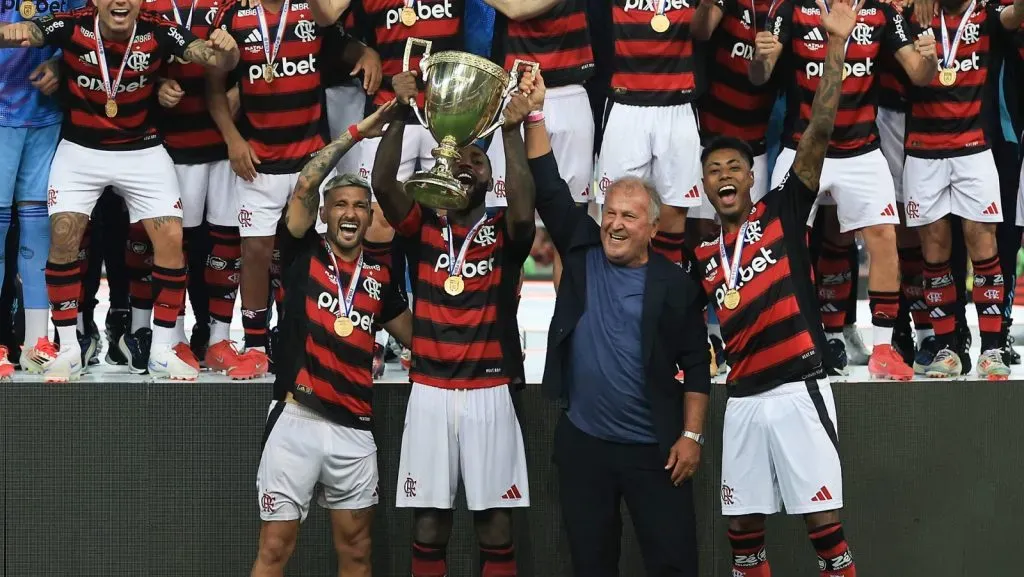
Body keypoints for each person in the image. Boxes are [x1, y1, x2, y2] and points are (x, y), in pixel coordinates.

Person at [694, 0, 858, 573]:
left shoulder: (783, 212)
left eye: (734, 167)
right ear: (706, 189)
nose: (725, 176)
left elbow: (819, 131)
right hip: (740, 401)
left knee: (827, 538)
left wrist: (835, 48)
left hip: (798, 391)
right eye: (714, 171)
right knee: (743, 539)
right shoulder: (701, 256)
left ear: (751, 176)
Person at [528, 73, 711, 575]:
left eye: (629, 217)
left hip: (656, 452)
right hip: (584, 447)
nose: (614, 224)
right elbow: (548, 187)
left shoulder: (674, 284)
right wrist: (538, 113)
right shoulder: (583, 251)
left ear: (653, 228)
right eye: (610, 213)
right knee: (591, 565)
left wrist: (691, 438)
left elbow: (697, 367)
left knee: (674, 565)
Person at [0, 0, 240, 381]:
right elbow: (24, 33)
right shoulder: (72, 24)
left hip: (141, 149)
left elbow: (212, 58)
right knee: (63, 237)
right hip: (81, 149)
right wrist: (9, 33)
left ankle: (161, 349)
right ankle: (68, 350)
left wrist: (228, 51)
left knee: (172, 239)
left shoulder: (157, 27)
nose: (120, 1)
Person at [371, 70, 536, 577]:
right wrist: (399, 115)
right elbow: (381, 183)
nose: (466, 164)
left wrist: (510, 131)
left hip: (490, 389)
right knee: (428, 525)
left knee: (495, 526)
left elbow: (526, 209)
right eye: (458, 156)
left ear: (489, 177)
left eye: (477, 160)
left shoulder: (504, 232)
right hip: (430, 390)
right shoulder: (423, 224)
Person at [253, 102, 412, 577]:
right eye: (340, 204)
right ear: (325, 212)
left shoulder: (380, 277)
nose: (349, 212)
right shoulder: (302, 249)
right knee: (275, 549)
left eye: (359, 206)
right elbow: (305, 180)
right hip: (296, 419)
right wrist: (360, 132)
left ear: (369, 218)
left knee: (358, 552)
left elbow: (419, 337)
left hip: (354, 428)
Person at [754, 0, 938, 379]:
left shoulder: (880, 13)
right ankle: (790, 340)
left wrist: (931, 58)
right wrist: (759, 59)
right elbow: (760, 74)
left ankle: (883, 350)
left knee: (884, 237)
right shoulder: (791, 9)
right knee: (778, 242)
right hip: (801, 146)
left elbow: (919, 74)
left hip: (861, 149)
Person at [903, 0, 1024, 378]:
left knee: (982, 242)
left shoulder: (987, 13)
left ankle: (991, 350)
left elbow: (1015, 16)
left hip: (975, 148)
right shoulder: (912, 13)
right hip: (922, 149)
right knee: (934, 249)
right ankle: (946, 349)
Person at [0, 0, 87, 377]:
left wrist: (60, 65)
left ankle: (35, 343)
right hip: (0, 118)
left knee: (38, 230)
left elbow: (86, 33)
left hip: (45, 116)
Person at [484, 0, 596, 290]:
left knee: (569, 230)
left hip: (572, 94)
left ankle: (570, 332)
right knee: (506, 228)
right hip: (514, 94)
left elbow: (517, 8)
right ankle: (502, 331)